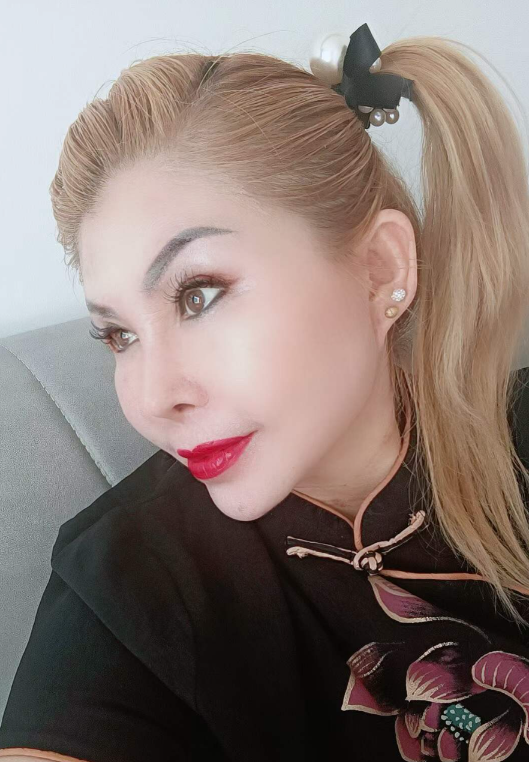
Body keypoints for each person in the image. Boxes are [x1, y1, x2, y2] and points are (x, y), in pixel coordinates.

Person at [2, 21, 529, 762]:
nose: (153, 397)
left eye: (198, 294)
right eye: (118, 335)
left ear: (379, 268)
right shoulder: (127, 588)